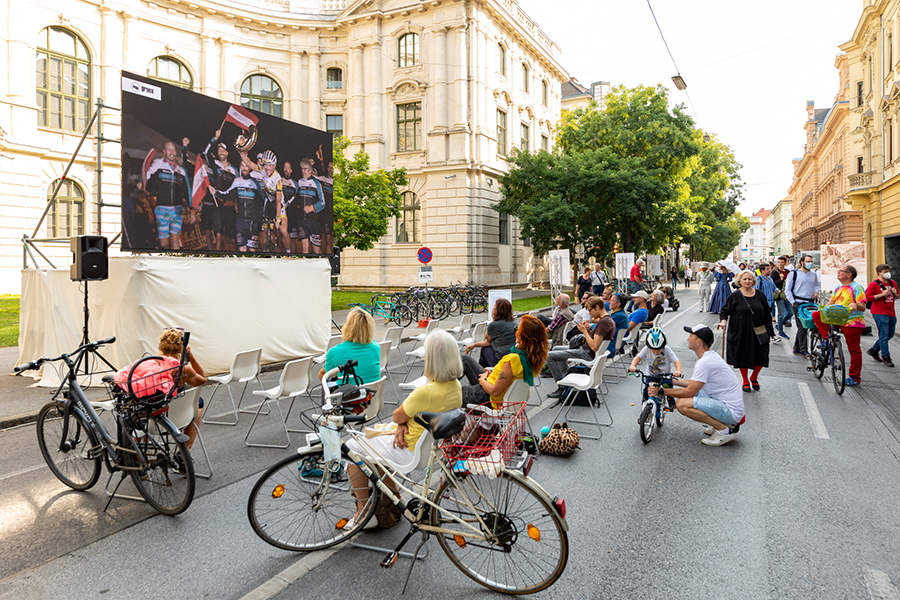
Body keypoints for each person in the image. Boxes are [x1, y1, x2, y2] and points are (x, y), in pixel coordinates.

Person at [345, 330, 462, 527]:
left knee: (351, 447)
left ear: (431, 358)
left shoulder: (425, 391)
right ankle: (395, 497)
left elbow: (397, 415)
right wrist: (402, 424)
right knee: (374, 453)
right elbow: (409, 417)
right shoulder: (455, 386)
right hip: (426, 447)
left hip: (407, 449)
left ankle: (363, 513)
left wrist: (401, 423)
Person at [649, 324, 744, 447]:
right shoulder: (710, 356)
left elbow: (690, 392)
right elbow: (694, 383)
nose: (688, 339)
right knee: (694, 395)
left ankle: (723, 430)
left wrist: (661, 391)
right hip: (727, 405)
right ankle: (719, 424)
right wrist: (671, 380)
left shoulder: (704, 363)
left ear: (698, 341)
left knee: (681, 404)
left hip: (731, 411)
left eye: (690, 336)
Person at [459, 314, 549, 407]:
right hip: (495, 387)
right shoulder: (533, 358)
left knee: (449, 392)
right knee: (465, 359)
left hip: (488, 397)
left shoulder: (513, 359)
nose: (515, 331)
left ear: (524, 336)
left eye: (517, 329)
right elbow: (509, 379)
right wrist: (492, 375)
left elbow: (495, 391)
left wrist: (482, 380)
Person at [546, 297, 615, 397]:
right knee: (556, 349)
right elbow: (597, 340)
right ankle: (566, 377)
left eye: (590, 310)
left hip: (587, 353)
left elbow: (594, 346)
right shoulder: (606, 320)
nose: (590, 314)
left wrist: (584, 332)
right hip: (586, 350)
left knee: (549, 356)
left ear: (597, 307)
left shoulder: (604, 323)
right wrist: (588, 331)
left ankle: (562, 387)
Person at [812, 264, 866, 386]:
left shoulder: (857, 288)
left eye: (840, 271)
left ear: (849, 274)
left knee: (854, 350)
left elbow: (863, 307)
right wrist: (822, 310)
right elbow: (830, 303)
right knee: (816, 315)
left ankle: (855, 377)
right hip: (837, 319)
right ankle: (826, 338)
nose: (838, 273)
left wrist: (856, 305)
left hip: (852, 322)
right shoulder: (838, 288)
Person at [719, 270, 773, 392]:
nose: (747, 281)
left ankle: (754, 376)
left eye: (749, 279)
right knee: (743, 356)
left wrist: (769, 329)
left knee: (761, 356)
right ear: (740, 281)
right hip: (740, 330)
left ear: (753, 281)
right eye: (744, 279)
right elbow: (724, 311)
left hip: (759, 330)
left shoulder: (760, 295)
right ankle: (745, 380)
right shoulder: (735, 296)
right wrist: (723, 321)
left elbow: (767, 313)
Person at [145, 140, 190, 250]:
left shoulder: (181, 170)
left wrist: (190, 205)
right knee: (164, 243)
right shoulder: (158, 165)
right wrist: (143, 184)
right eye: (169, 149)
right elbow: (148, 179)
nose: (172, 152)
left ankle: (175, 263)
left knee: (175, 238)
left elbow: (187, 189)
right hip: (162, 208)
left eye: (174, 150)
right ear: (164, 151)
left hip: (177, 209)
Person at [318, 307, 381, 386]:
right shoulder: (376, 347)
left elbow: (323, 375)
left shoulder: (334, 352)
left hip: (348, 396)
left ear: (347, 327)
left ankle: (325, 398)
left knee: (325, 381)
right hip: (372, 394)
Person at [222, 160, 266, 252]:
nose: (244, 168)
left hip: (252, 222)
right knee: (242, 250)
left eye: (246, 165)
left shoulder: (255, 183)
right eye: (242, 165)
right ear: (240, 167)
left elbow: (262, 199)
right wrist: (215, 192)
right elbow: (227, 194)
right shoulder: (237, 181)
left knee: (252, 251)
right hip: (240, 221)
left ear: (250, 167)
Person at [628, 328, 683, 399]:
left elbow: (676, 361)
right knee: (646, 390)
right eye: (653, 350)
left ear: (663, 346)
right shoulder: (646, 349)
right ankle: (644, 404)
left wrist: (678, 371)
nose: (656, 352)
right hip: (651, 375)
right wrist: (633, 366)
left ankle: (670, 400)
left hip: (665, 375)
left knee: (668, 386)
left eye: (659, 350)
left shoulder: (667, 350)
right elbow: (637, 358)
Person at [465, 298, 519, 367]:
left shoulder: (494, 325)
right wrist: (474, 344)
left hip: (501, 361)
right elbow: (491, 342)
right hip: (514, 360)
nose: (493, 308)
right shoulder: (514, 323)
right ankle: (484, 373)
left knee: (485, 349)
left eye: (494, 307)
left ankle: (481, 374)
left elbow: (487, 339)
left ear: (498, 311)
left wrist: (494, 319)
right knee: (483, 360)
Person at [786, 255, 820, 358]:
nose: (810, 263)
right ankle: (803, 349)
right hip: (798, 303)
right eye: (808, 261)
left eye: (811, 261)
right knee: (802, 327)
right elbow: (787, 290)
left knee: (806, 325)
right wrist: (792, 302)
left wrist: (816, 292)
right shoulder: (794, 274)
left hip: (809, 303)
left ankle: (797, 347)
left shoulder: (813, 274)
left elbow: (816, 285)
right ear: (802, 262)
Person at [866, 263, 898, 367]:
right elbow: (868, 297)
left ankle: (874, 349)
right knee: (884, 335)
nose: (888, 274)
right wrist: (882, 295)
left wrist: (895, 293)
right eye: (885, 272)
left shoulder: (892, 283)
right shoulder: (874, 284)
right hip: (879, 312)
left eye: (888, 271)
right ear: (879, 273)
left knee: (890, 334)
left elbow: (897, 296)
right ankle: (886, 356)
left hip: (891, 312)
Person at [296, 158, 327, 253]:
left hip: (313, 221)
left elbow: (323, 202)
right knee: (304, 249)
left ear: (310, 171)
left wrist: (312, 208)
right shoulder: (299, 182)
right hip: (302, 220)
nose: (303, 171)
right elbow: (295, 198)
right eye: (302, 169)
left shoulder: (316, 183)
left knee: (316, 250)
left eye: (305, 169)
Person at [754, 261, 779, 343]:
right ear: (762, 270)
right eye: (767, 269)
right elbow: (755, 291)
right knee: (767, 320)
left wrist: (780, 292)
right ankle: (772, 335)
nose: (769, 270)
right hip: (762, 303)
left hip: (771, 303)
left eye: (770, 269)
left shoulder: (770, 278)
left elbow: (774, 288)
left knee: (766, 320)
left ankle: (766, 335)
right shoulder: (759, 279)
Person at [772, 256, 792, 339]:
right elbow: (773, 284)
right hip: (779, 295)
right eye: (779, 262)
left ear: (785, 263)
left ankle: (778, 325)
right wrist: (781, 279)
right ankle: (781, 331)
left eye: (782, 262)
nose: (780, 263)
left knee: (790, 313)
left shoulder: (787, 271)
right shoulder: (775, 272)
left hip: (787, 295)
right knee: (781, 314)